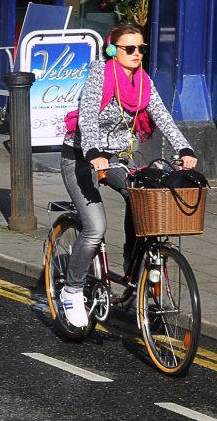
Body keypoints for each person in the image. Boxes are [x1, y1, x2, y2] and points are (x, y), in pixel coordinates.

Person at [58, 22, 198, 328]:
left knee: (145, 199)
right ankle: (72, 290)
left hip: (117, 158)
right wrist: (93, 152)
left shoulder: (143, 82)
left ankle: (133, 267)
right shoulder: (100, 75)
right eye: (129, 48)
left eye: (141, 49)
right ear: (113, 50)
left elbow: (162, 115)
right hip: (81, 158)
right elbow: (88, 115)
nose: (137, 54)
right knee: (95, 227)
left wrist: (185, 148)